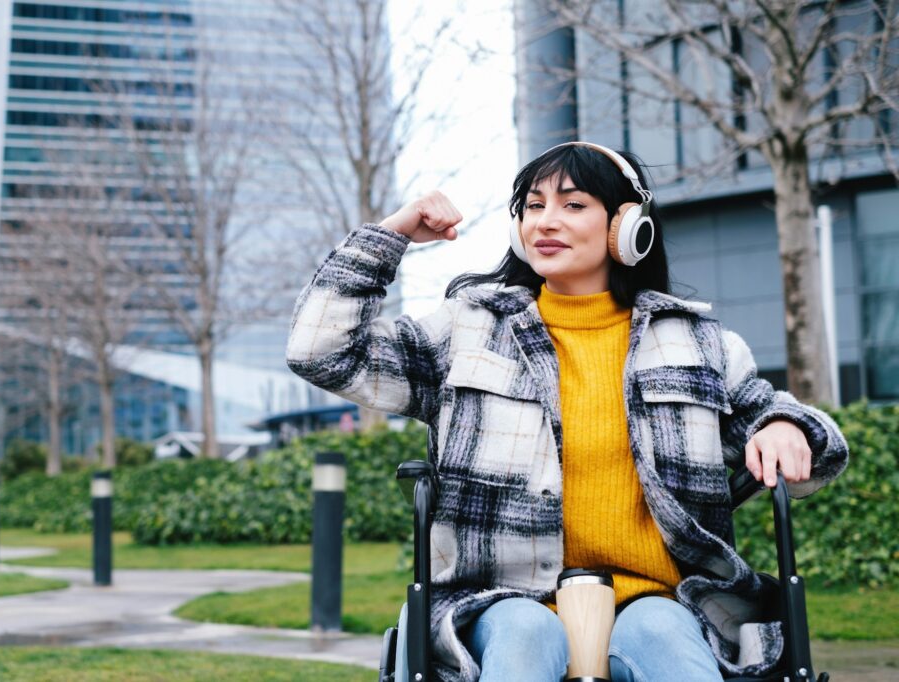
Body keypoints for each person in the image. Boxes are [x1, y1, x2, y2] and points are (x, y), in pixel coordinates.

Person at [286, 142, 848, 681]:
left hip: (665, 596)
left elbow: (809, 442)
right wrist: (392, 234)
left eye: (572, 204)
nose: (545, 221)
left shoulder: (698, 343)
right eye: (533, 206)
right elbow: (321, 352)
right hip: (493, 600)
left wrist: (785, 426)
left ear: (628, 226)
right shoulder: (469, 330)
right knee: (526, 633)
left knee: (665, 637)